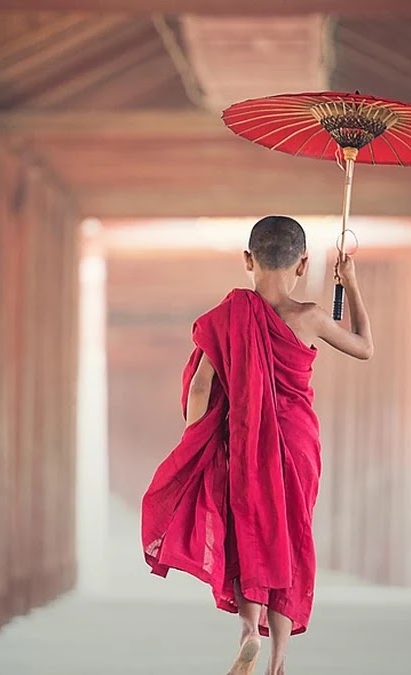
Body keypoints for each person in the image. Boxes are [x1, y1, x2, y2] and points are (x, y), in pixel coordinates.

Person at [141, 215, 374, 675]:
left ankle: (248, 630)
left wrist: (197, 438)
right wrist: (351, 284)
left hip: (245, 441)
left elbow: (201, 386)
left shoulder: (227, 316)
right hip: (298, 444)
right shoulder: (309, 317)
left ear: (248, 260)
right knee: (290, 537)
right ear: (303, 264)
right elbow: (365, 346)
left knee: (248, 531)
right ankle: (279, 659)